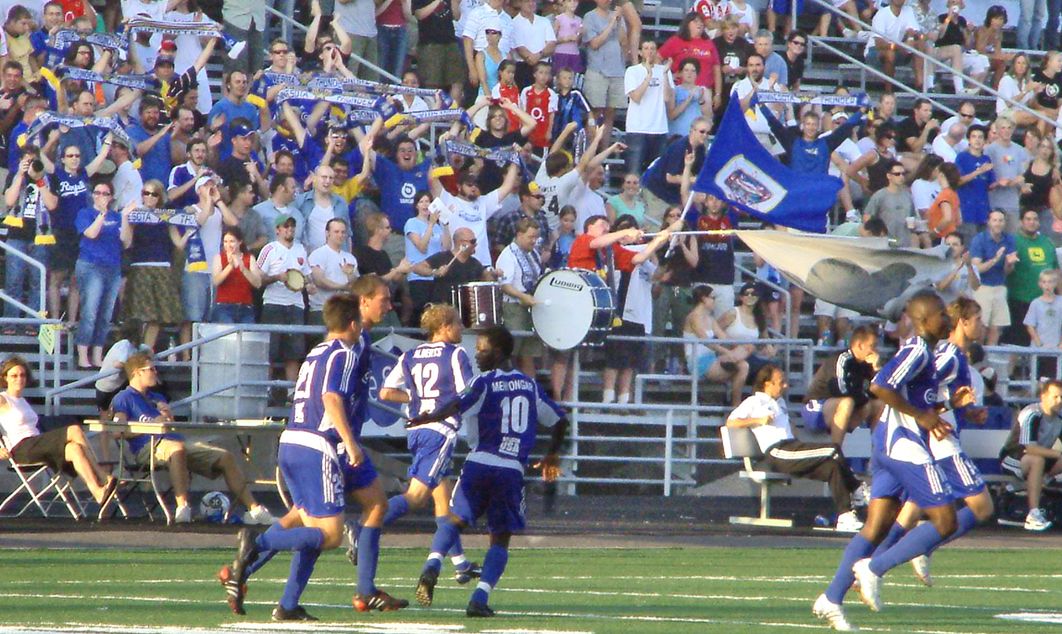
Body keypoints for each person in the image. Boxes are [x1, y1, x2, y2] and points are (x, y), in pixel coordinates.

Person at [220, 294, 406, 620]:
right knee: (331, 535)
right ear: (352, 324)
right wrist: (351, 443)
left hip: (292, 440)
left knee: (311, 523)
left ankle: (288, 604)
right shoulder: (343, 353)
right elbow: (331, 398)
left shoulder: (316, 350)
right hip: (317, 446)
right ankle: (256, 543)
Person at [814, 293, 955, 631]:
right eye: (941, 315)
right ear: (923, 320)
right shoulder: (918, 350)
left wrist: (938, 412)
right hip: (903, 446)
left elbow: (910, 395)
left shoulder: (926, 352)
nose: (948, 319)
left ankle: (831, 599)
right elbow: (880, 385)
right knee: (947, 520)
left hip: (891, 445)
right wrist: (921, 416)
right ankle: (872, 568)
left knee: (876, 527)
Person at [408, 325, 567, 617]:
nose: (477, 355)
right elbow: (559, 420)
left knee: (454, 520)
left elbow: (457, 404)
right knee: (501, 538)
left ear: (497, 352)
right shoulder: (529, 385)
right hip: (510, 470)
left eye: (481, 349)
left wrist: (429, 416)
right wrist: (552, 454)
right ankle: (479, 599)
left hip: (479, 463)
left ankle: (432, 565)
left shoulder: (483, 382)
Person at [852, 296, 992, 598]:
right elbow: (916, 391)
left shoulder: (956, 355)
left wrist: (968, 410)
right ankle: (903, 554)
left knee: (908, 512)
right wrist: (923, 416)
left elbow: (935, 397)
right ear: (963, 322)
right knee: (981, 506)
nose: (983, 325)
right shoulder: (947, 356)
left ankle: (873, 565)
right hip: (934, 439)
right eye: (978, 319)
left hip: (927, 436)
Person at [378, 304, 481, 588]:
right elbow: (467, 391)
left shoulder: (410, 355)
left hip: (416, 431)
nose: (461, 329)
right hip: (440, 431)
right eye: (458, 323)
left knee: (441, 499)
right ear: (444, 327)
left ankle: (460, 564)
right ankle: (367, 524)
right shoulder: (455, 353)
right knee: (416, 496)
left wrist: (417, 398)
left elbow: (385, 391)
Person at [111, 353, 275, 526]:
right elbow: (117, 431)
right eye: (151, 369)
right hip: (148, 447)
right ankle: (183, 508)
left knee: (225, 456)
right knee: (177, 449)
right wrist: (151, 424)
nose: (155, 372)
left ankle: (254, 511)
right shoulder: (124, 398)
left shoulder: (157, 397)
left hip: (175, 442)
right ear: (137, 372)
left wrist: (167, 415)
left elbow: (169, 426)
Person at [727, 364, 865, 531]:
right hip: (778, 452)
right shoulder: (754, 401)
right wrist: (758, 420)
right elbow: (731, 422)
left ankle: (845, 516)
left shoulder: (780, 402)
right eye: (781, 382)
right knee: (833, 450)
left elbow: (788, 428)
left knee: (832, 467)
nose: (785, 385)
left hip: (791, 448)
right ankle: (857, 489)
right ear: (767, 383)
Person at [0, 356, 117, 507]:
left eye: (22, 375)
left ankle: (97, 491)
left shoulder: (22, 401)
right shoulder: (3, 399)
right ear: (5, 378)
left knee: (75, 449)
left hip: (37, 444)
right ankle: (102, 475)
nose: (19, 379)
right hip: (22, 449)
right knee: (74, 429)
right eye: (14, 376)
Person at [75, 181, 133, 369]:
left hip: (112, 267)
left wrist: (124, 217)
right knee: (90, 311)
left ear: (110, 196)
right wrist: (102, 214)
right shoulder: (85, 213)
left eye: (105, 193)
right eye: (98, 192)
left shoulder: (116, 216)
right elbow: (91, 233)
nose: (101, 196)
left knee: (106, 314)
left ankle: (98, 355)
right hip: (91, 265)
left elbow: (126, 241)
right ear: (93, 195)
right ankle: (83, 355)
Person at [257, 214, 315, 386]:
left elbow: (307, 276)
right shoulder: (269, 249)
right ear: (278, 230)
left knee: (294, 352)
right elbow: (258, 279)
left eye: (292, 226)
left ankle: (291, 391)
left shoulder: (301, 249)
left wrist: (310, 286)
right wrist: (276, 277)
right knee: (269, 352)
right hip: (274, 303)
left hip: (296, 304)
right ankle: (266, 389)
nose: (289, 229)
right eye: (286, 226)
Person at [803, 325, 884, 446]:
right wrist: (864, 400)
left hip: (846, 407)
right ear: (860, 345)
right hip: (816, 407)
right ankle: (836, 451)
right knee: (847, 402)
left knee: (880, 404)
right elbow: (840, 390)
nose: (875, 351)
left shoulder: (867, 364)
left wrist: (876, 369)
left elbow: (879, 392)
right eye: (872, 346)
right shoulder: (842, 359)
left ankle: (874, 450)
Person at [1000, 379, 1062, 532]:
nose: (1059, 401)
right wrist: (1058, 453)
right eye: (1055, 397)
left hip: (1038, 460)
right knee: (1037, 460)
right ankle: (1033, 514)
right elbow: (1030, 448)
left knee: (1040, 461)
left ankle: (1043, 481)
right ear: (1043, 396)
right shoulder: (1032, 413)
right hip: (1013, 458)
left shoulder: (1059, 419)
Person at [682, 285, 749, 407]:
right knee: (742, 366)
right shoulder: (693, 317)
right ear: (703, 299)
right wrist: (727, 352)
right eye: (712, 298)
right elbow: (706, 341)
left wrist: (742, 345)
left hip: (712, 359)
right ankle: (735, 405)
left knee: (744, 365)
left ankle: (735, 404)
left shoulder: (710, 319)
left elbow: (724, 338)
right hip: (698, 361)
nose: (715, 301)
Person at [495, 218, 545, 378]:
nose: (534, 241)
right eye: (531, 237)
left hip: (532, 307)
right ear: (519, 234)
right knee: (512, 351)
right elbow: (504, 285)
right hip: (514, 308)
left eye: (536, 237)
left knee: (528, 354)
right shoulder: (508, 255)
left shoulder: (534, 253)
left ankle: (532, 391)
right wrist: (522, 296)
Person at [1006, 209, 1058, 346]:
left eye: (1035, 219)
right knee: (1018, 343)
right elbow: (1006, 268)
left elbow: (1056, 270)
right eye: (1028, 219)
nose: (1032, 222)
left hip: (1045, 301)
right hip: (1020, 299)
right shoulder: (1013, 241)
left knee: (1045, 341)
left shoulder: (1047, 242)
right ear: (1021, 222)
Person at [969, 209, 1018, 345]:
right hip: (983, 287)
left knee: (997, 327)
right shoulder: (980, 239)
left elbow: (1008, 271)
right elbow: (977, 268)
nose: (998, 223)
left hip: (1000, 286)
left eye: (1001, 220)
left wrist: (1009, 263)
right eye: (995, 220)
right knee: (981, 326)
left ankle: (990, 359)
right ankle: (977, 358)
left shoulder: (1009, 240)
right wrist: (995, 259)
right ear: (989, 222)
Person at [307, 219, 359, 326]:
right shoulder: (318, 254)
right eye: (336, 232)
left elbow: (355, 285)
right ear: (327, 233)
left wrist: (350, 274)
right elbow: (319, 281)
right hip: (323, 309)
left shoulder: (350, 258)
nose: (340, 235)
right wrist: (342, 287)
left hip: (344, 310)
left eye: (343, 232)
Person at [212, 226, 263, 324]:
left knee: (246, 336)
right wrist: (230, 266)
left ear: (240, 242)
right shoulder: (219, 257)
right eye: (225, 241)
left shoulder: (249, 258)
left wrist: (243, 269)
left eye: (232, 241)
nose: (228, 245)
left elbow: (258, 283)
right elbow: (216, 281)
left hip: (245, 307)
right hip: (224, 307)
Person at [863, 159, 915, 247]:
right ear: (889, 176)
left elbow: (913, 216)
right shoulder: (880, 195)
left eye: (903, 174)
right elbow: (867, 218)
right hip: (886, 243)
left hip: (905, 244)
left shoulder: (908, 195)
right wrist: (877, 236)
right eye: (897, 174)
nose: (901, 177)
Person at [1023, 269, 1062, 377]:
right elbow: (1030, 325)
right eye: (1044, 282)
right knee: (1039, 377)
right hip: (1039, 348)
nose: (1047, 285)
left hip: (1056, 348)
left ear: (1055, 283)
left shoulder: (1060, 302)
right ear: (1040, 284)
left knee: (1054, 377)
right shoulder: (1036, 303)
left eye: (1050, 282)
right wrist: (1038, 343)